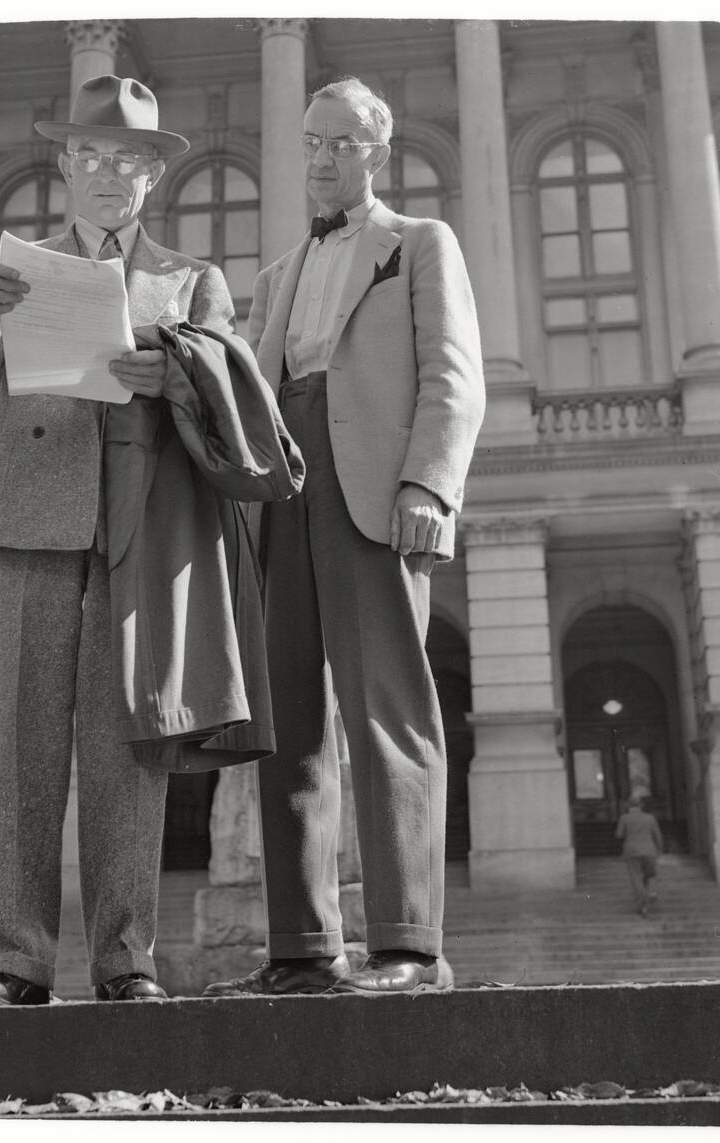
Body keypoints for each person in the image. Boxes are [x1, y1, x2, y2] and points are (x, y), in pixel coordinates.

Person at [0, 75, 241, 1007]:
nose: (109, 173)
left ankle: (125, 959)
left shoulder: (193, 279)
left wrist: (174, 375)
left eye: (129, 159)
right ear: (66, 165)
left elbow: (228, 402)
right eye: (92, 155)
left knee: (126, 755)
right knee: (18, 749)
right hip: (23, 516)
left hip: (135, 530)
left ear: (152, 175)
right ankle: (11, 961)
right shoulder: (16, 262)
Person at [205, 77, 485, 997]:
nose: (323, 159)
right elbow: (248, 387)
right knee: (283, 719)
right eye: (312, 143)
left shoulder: (420, 245)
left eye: (343, 143)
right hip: (282, 483)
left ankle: (407, 944)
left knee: (387, 707)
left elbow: (453, 373)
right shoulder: (279, 273)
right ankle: (300, 948)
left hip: (374, 485)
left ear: (378, 151)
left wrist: (429, 486)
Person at [615, 794, 664, 917]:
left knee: (636, 878)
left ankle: (643, 905)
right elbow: (658, 835)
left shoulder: (624, 818)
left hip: (632, 852)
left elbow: (619, 835)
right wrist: (659, 850)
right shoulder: (650, 818)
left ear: (627, 805)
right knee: (650, 874)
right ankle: (652, 891)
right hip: (649, 850)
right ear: (641, 805)